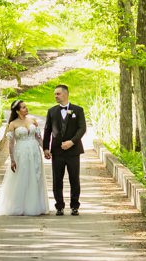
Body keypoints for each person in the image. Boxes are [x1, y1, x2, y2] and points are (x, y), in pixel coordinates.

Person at [0, 99, 50, 215]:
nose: (26, 109)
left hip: (34, 152)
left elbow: (38, 138)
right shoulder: (13, 124)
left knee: (35, 176)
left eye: (26, 107)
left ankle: (35, 205)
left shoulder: (33, 121)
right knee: (22, 177)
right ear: (17, 111)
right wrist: (12, 160)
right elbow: (11, 143)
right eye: (23, 107)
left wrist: (45, 150)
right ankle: (19, 205)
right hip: (21, 153)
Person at [43, 84, 86, 215]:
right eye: (55, 94)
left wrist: (72, 142)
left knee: (74, 179)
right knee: (57, 180)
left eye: (58, 94)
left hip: (73, 151)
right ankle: (59, 206)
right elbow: (47, 130)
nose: (56, 96)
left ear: (66, 94)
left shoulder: (77, 110)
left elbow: (82, 128)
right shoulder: (52, 111)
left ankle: (74, 206)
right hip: (57, 151)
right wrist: (45, 148)